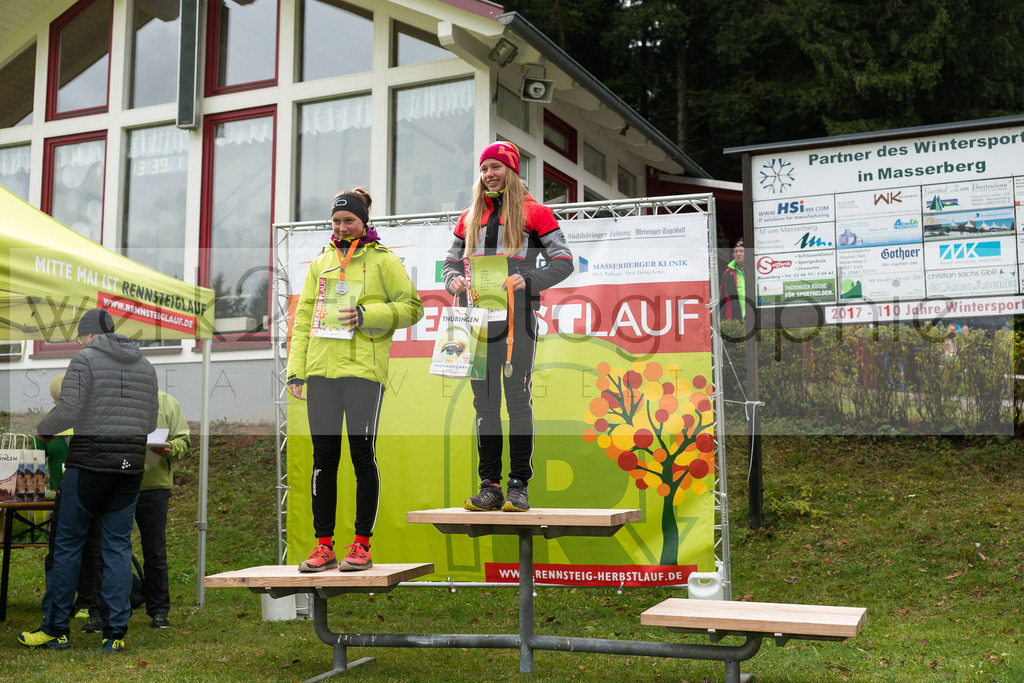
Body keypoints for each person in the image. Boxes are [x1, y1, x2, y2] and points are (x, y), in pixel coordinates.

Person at [287, 187, 423, 573]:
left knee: (362, 456)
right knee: (323, 460)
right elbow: (302, 320)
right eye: (336, 221)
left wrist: (368, 315)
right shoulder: (321, 262)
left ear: (364, 222)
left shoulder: (383, 260)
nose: (342, 227)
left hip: (363, 371)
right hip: (321, 371)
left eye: (349, 221)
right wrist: (297, 370)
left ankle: (361, 544)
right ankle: (323, 544)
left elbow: (412, 308)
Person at [442, 141, 573, 512]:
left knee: (517, 400)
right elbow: (449, 265)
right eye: (484, 169)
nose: (489, 174)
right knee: (484, 405)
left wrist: (527, 279)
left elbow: (563, 262)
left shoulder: (536, 213)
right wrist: (453, 281)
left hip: (518, 319)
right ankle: (490, 486)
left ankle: (518, 485)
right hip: (476, 319)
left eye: (496, 168)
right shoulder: (468, 217)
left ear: (511, 171)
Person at [19, 308, 158, 653]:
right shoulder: (146, 365)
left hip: (90, 464)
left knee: (67, 545)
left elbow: (68, 409)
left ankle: (55, 629)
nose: (79, 343)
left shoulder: (85, 359)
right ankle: (114, 634)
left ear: (90, 335)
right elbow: (152, 421)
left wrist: (43, 430)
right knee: (117, 547)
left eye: (80, 337)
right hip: (130, 468)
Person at [135, 390, 189, 628]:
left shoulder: (168, 403)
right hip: (115, 483)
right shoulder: (113, 398)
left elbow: (183, 440)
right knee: (109, 549)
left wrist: (169, 447)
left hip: (153, 486)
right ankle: (104, 609)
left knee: (154, 550)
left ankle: (159, 610)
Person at [720, 239, 745, 320]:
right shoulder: (727, 273)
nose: (738, 254)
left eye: (741, 251)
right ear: (733, 255)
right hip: (735, 317)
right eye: (736, 251)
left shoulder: (755, 269)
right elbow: (722, 297)